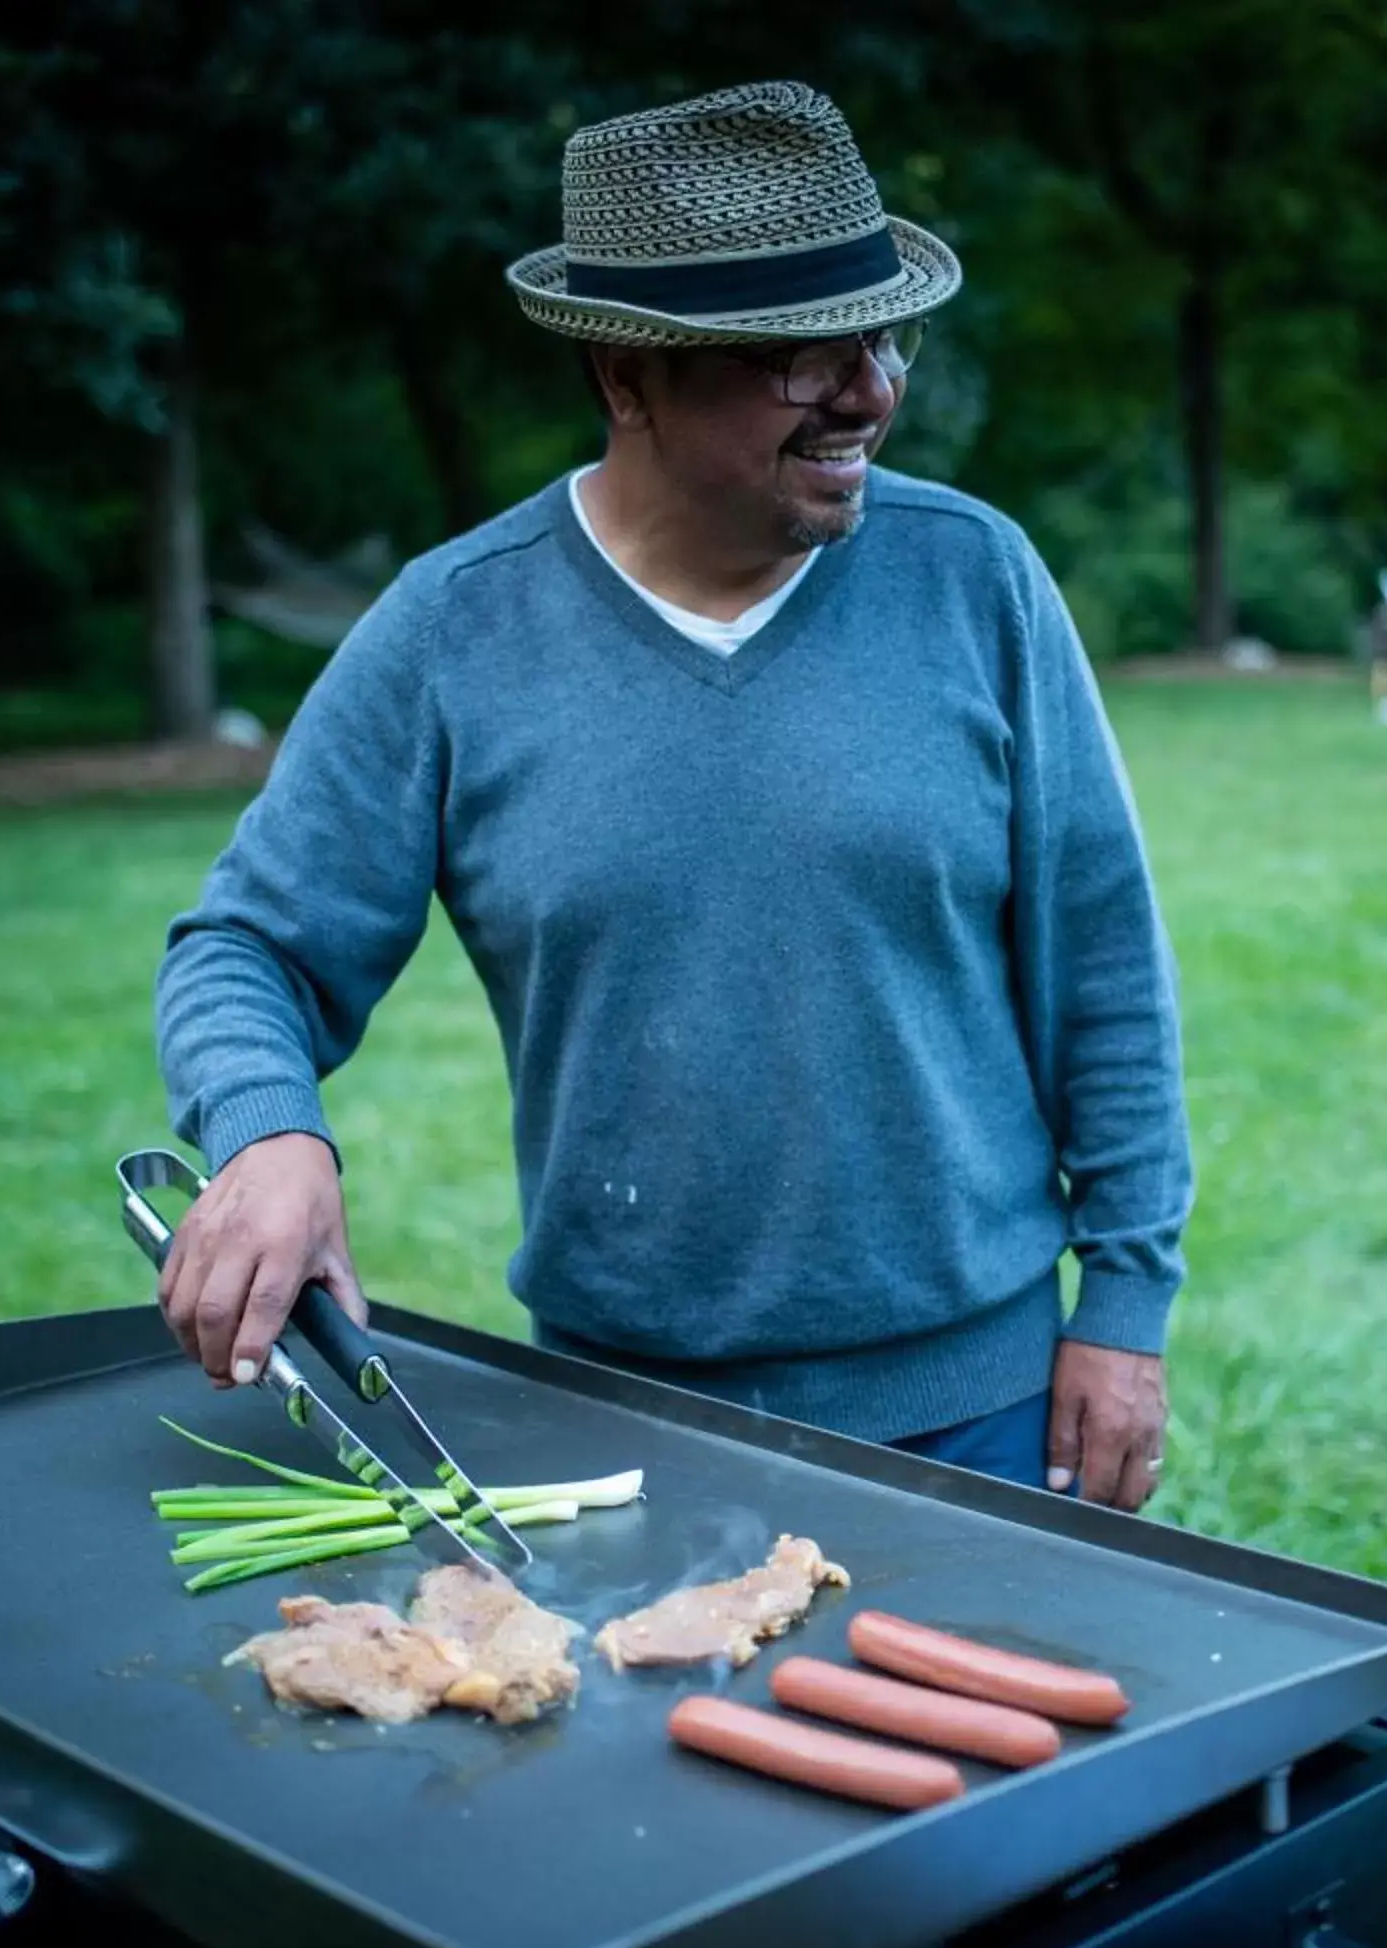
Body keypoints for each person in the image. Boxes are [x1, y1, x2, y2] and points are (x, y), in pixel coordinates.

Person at [152, 81, 1192, 1509]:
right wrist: (269, 1127)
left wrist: (1125, 1307)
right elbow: (246, 947)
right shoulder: (456, 634)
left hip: (987, 1409)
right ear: (622, 377)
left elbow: (1107, 967)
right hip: (622, 1427)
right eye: (797, 358)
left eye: (884, 335)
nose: (874, 392)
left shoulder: (975, 582)